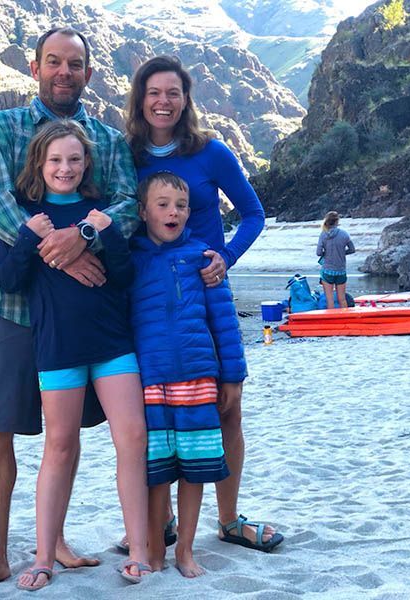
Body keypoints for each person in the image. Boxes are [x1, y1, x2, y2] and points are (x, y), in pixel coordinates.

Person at [0, 28, 140, 591]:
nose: (64, 71)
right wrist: (59, 254)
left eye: (75, 64)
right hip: (15, 304)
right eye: (54, 62)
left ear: (89, 73)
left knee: (68, 434)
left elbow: (128, 205)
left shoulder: (107, 140)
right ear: (34, 67)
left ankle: (52, 541)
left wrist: (82, 232)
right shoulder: (2, 127)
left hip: (84, 310)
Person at [125, 55, 283, 553]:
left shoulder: (211, 153)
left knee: (226, 407)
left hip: (205, 293)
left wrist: (226, 258)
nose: (163, 101)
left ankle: (229, 518)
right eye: (154, 92)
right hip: (150, 301)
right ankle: (164, 519)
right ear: (140, 99)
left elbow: (254, 213)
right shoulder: (126, 155)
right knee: (156, 412)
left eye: (173, 92)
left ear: (186, 99)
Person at [0, 120, 150, 590]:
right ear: (40, 165)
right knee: (59, 446)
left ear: (87, 165)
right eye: (56, 160)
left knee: (133, 439)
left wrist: (104, 233)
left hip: (112, 345)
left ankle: (140, 551)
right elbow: (10, 282)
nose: (66, 168)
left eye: (75, 160)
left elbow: (123, 277)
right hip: (57, 348)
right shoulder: (27, 215)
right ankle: (43, 558)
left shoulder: (101, 213)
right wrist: (29, 235)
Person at [131, 172, 234, 576]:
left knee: (195, 470)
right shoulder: (132, 261)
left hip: (197, 379)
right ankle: (156, 548)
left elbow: (223, 322)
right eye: (162, 204)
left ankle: (185, 550)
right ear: (143, 212)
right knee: (157, 473)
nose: (173, 212)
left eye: (181, 205)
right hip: (151, 380)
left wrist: (232, 377)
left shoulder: (204, 259)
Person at [316, 211, 355, 309]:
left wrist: (327, 253)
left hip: (327, 271)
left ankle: (331, 321)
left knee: (330, 300)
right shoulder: (344, 234)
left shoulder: (323, 234)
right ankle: (345, 319)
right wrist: (342, 252)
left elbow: (318, 253)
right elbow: (352, 249)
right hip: (341, 270)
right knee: (342, 299)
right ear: (337, 221)